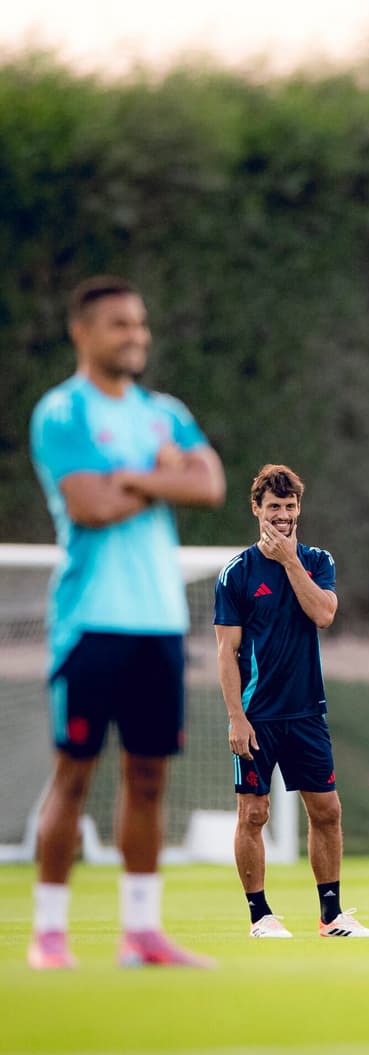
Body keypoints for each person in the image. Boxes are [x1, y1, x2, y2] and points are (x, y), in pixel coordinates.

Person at [28, 275, 226, 970]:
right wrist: (156, 475)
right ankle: (49, 933)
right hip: (90, 624)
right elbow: (88, 505)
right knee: (73, 778)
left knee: (149, 779)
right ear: (83, 332)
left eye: (139, 324)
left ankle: (141, 931)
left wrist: (131, 478)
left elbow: (209, 484)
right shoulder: (62, 412)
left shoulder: (164, 411)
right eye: (119, 325)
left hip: (159, 624)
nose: (135, 336)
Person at [213, 463, 369, 939]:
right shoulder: (237, 574)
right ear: (256, 510)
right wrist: (236, 717)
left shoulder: (318, 560)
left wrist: (290, 561)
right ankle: (260, 916)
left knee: (327, 810)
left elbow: (324, 613)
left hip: (307, 712)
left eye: (289, 507)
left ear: (298, 508)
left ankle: (331, 916)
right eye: (273, 508)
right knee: (254, 812)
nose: (282, 516)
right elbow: (226, 652)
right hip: (257, 716)